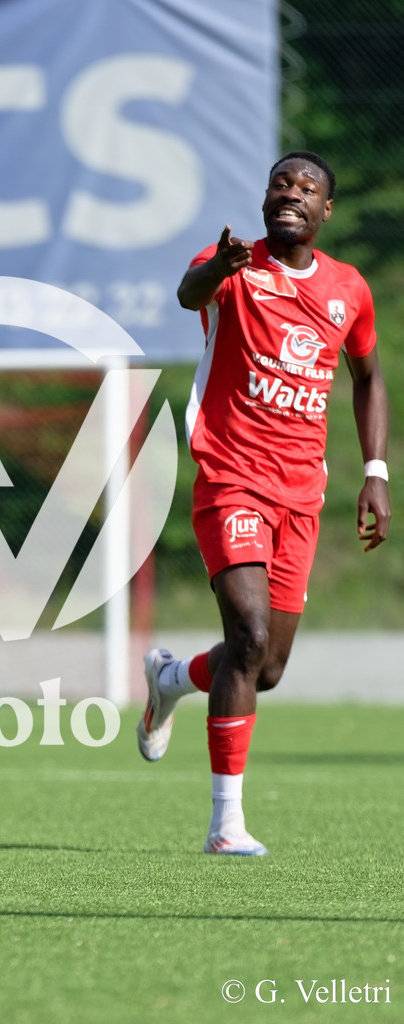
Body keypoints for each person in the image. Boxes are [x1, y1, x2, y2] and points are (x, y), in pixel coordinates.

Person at [136, 151, 391, 856]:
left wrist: (375, 470)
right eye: (281, 183)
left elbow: (368, 375)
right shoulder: (231, 266)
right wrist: (218, 266)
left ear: (324, 211)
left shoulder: (348, 288)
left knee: (266, 667)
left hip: (300, 495)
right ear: (264, 198)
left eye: (306, 188)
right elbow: (189, 294)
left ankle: (171, 678)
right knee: (246, 637)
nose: (291, 194)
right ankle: (226, 824)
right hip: (231, 478)